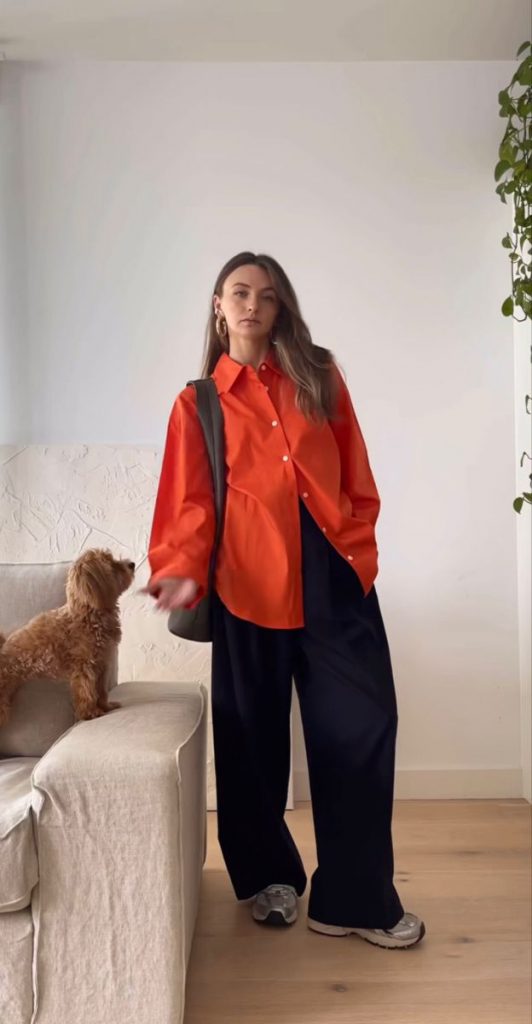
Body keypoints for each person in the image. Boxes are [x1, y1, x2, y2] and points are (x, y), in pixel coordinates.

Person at [145, 251, 426, 949]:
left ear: (279, 309)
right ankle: (269, 877)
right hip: (245, 583)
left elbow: (355, 467)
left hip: (332, 574)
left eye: (266, 296)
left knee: (362, 724)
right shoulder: (198, 403)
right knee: (251, 741)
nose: (252, 305)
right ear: (218, 307)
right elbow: (189, 502)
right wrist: (179, 570)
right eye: (239, 292)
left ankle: (353, 899)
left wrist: (359, 541)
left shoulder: (318, 376)